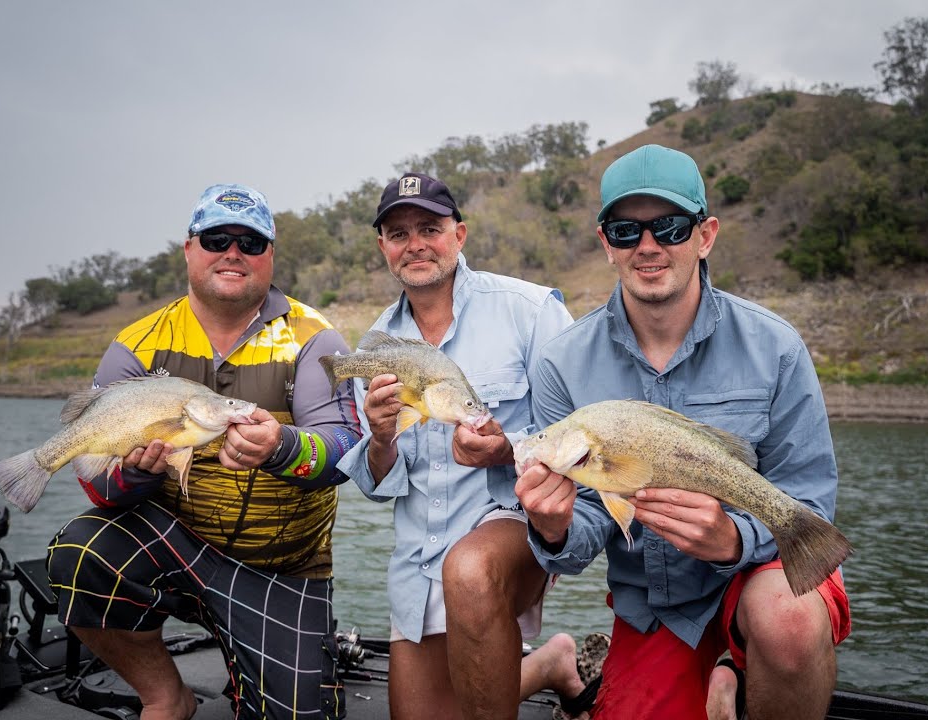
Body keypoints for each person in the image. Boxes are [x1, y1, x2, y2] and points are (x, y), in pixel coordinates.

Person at [515, 144, 852, 720]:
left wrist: (734, 541)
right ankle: (726, 674)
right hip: (656, 604)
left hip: (761, 572)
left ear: (705, 235)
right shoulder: (560, 364)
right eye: (626, 231)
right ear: (606, 243)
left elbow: (809, 498)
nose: (648, 246)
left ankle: (742, 659)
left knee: (789, 622)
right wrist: (553, 529)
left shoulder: (776, 345)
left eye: (669, 227)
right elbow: (589, 531)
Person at [45, 183, 363, 720]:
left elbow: (344, 450)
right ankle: (165, 696)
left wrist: (281, 446)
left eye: (251, 242)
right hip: (176, 550)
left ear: (270, 257)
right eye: (217, 238)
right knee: (80, 555)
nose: (233, 252)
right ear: (190, 249)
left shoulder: (315, 338)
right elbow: (95, 481)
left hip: (283, 569)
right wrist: (137, 476)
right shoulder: (137, 344)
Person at [334, 172, 592, 720]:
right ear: (383, 247)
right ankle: (550, 665)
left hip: (510, 529)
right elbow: (381, 483)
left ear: (460, 234)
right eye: (398, 233)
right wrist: (381, 437)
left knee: (469, 571)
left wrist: (507, 450)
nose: (415, 244)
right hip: (418, 555)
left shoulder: (531, 312)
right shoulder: (377, 345)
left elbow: (585, 434)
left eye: (430, 227)